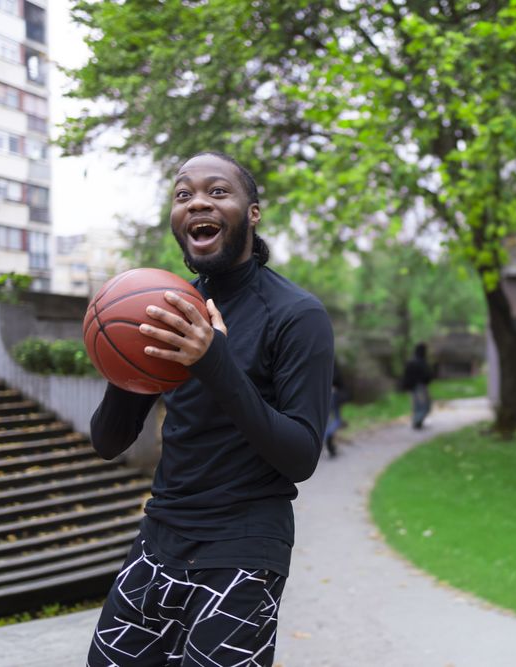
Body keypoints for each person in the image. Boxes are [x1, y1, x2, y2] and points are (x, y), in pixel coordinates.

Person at [86, 151, 334, 667]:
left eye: (218, 191)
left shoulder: (296, 315)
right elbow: (109, 442)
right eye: (184, 194)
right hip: (162, 535)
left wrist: (214, 360)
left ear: (253, 212)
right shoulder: (168, 308)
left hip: (245, 546)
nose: (198, 200)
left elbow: (301, 456)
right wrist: (126, 358)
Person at [401, 343, 434, 430]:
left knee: (417, 405)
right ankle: (417, 421)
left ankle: (417, 421)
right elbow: (427, 374)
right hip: (420, 386)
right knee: (424, 405)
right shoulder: (421, 362)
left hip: (413, 387)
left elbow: (406, 376)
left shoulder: (411, 361)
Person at [323, 361, 346, 457]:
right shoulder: (331, 359)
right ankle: (327, 437)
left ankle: (329, 445)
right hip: (332, 392)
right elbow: (337, 377)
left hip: (322, 393)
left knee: (328, 421)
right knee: (337, 420)